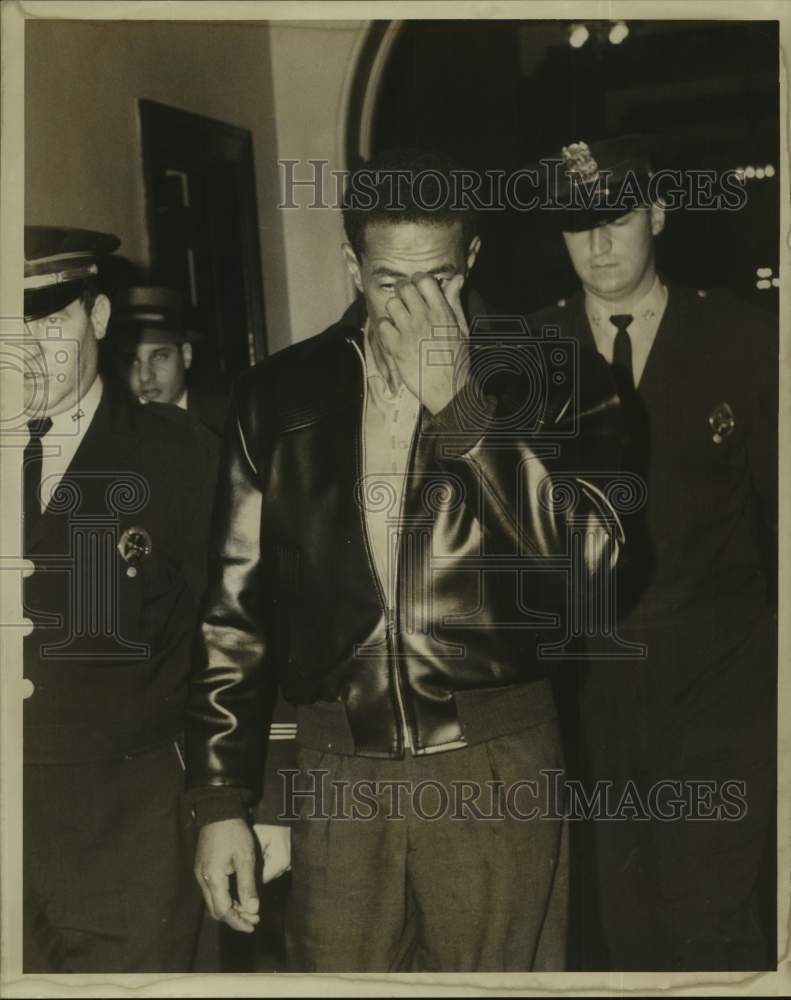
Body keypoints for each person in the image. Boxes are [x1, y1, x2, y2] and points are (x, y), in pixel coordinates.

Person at [184, 148, 624, 973]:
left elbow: (594, 570)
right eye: (390, 282)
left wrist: (459, 407)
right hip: (335, 772)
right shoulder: (278, 396)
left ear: (472, 260)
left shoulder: (557, 377)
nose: (417, 306)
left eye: (441, 281)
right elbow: (234, 615)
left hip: (495, 768)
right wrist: (222, 800)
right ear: (351, 264)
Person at [528, 136, 778, 971]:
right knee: (614, 929)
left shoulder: (745, 341)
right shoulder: (524, 356)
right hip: (585, 698)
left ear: (658, 215)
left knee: (713, 925)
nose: (597, 244)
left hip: (722, 690)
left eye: (616, 217)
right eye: (576, 225)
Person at [21, 227, 219, 972]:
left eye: (50, 320)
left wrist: (238, 807)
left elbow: (240, 632)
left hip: (128, 832)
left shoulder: (179, 456)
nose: (30, 348)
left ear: (99, 316)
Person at [110, 285, 229, 435]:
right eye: (132, 360)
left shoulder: (227, 422)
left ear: (186, 355)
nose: (145, 376)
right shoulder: (114, 432)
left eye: (159, 356)